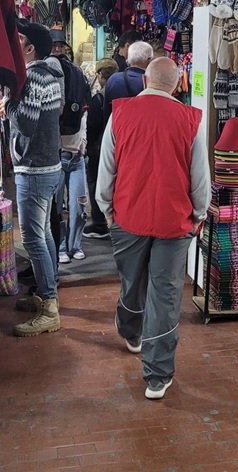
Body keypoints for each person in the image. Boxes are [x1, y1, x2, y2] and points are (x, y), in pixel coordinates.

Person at [96, 57, 211, 400]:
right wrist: (199, 213)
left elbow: (107, 166)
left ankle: (131, 331)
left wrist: (106, 209)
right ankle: (157, 376)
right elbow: (200, 177)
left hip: (128, 217)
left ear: (145, 79)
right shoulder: (190, 121)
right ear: (177, 85)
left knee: (133, 281)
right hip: (174, 222)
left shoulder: (121, 114)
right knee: (165, 293)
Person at [0, 21, 65, 337]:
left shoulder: (35, 76)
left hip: (35, 169)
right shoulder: (51, 75)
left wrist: (8, 104)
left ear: (30, 48)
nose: (16, 42)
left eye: (21, 39)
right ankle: (46, 293)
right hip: (48, 165)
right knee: (45, 234)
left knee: (34, 238)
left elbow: (25, 124)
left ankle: (49, 307)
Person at [49, 29, 90, 264]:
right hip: (55, 153)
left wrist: (82, 142)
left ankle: (74, 245)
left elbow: (85, 112)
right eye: (54, 46)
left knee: (78, 205)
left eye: (60, 45)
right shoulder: (48, 73)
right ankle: (62, 246)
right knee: (56, 208)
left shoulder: (77, 75)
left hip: (75, 153)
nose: (58, 49)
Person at [82, 58, 119, 240]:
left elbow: (92, 126)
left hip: (97, 149)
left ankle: (99, 223)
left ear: (100, 76)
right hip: (119, 149)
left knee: (96, 183)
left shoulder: (99, 99)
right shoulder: (123, 95)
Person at [103, 40, 152, 121]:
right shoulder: (151, 81)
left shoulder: (113, 79)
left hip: (116, 129)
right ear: (149, 59)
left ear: (128, 58)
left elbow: (106, 113)